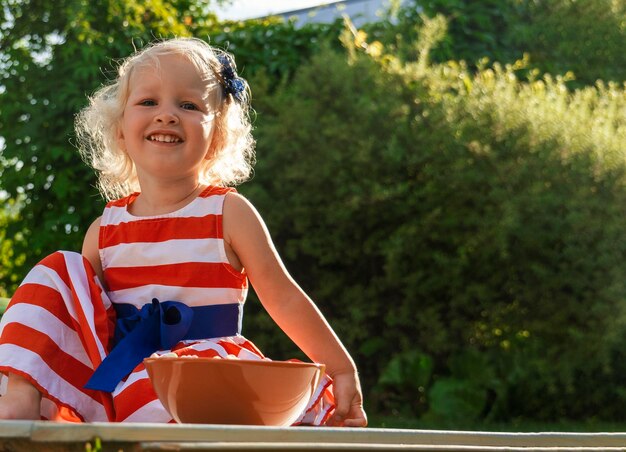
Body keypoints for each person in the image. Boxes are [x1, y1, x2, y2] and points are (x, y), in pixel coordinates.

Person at [0, 37, 367, 426]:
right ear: (120, 129)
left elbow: (285, 299)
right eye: (148, 102)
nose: (167, 115)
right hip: (127, 380)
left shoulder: (227, 212)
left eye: (188, 105)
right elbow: (82, 322)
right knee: (58, 271)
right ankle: (22, 397)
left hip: (207, 375)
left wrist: (341, 369)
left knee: (195, 386)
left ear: (218, 136)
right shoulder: (104, 231)